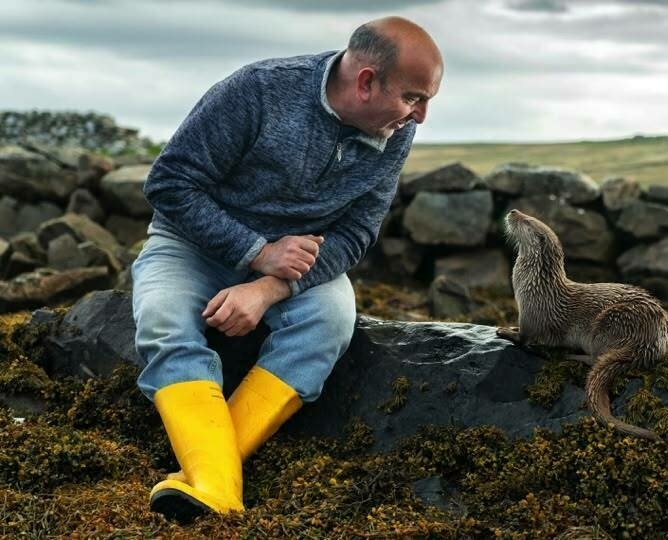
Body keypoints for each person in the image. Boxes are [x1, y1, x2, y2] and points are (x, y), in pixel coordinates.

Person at [130, 16, 443, 522]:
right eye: (413, 98)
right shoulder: (256, 91)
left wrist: (270, 286)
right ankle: (221, 486)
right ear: (366, 81)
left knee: (332, 321)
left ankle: (209, 478)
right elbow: (169, 184)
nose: (421, 116)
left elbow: (357, 234)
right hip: (189, 247)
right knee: (164, 319)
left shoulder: (394, 131)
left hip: (298, 266)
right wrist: (256, 251)